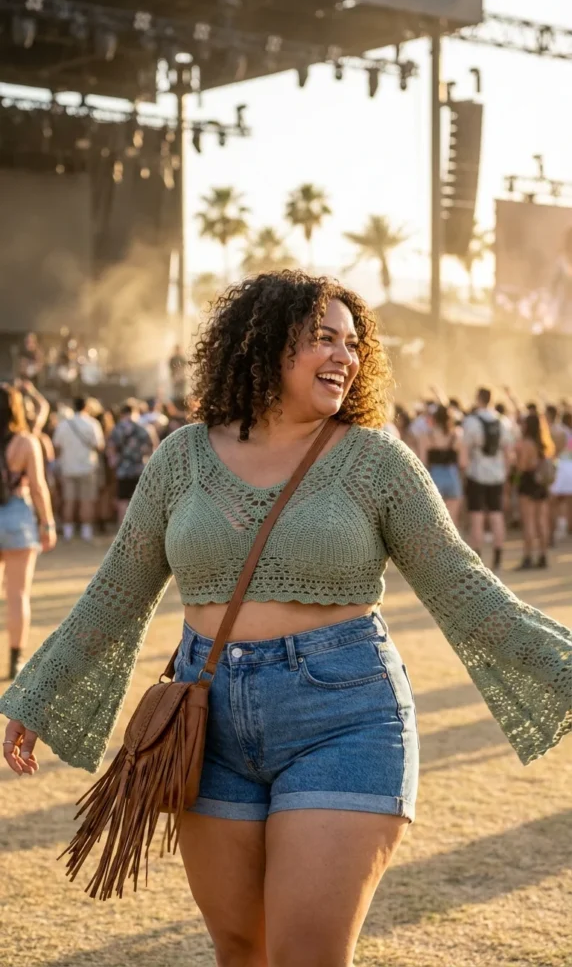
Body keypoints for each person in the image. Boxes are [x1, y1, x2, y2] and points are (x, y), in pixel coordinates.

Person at [2, 272, 572, 967]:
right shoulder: (181, 457)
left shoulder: (377, 461)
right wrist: (39, 692)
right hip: (206, 722)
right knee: (241, 949)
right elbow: (116, 591)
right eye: (323, 338)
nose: (344, 356)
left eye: (353, 343)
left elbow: (466, 589)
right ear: (265, 344)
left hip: (346, 716)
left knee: (307, 954)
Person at [0, 385, 56, 680]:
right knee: (18, 595)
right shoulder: (25, 442)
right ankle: (15, 660)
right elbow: (37, 486)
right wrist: (47, 523)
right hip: (17, 518)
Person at [463, 387, 513, 572]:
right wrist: (506, 474)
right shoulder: (503, 421)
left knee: (476, 517)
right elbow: (509, 453)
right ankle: (498, 560)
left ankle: (477, 562)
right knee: (497, 516)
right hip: (497, 475)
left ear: (478, 399)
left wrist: (464, 473)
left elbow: (464, 454)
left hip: (476, 474)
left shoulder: (471, 421)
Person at [52, 397, 105, 542]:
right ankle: (86, 531)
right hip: (88, 466)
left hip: (68, 466)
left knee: (68, 500)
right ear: (86, 406)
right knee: (86, 500)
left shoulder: (64, 424)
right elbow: (99, 445)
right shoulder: (92, 423)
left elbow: (57, 445)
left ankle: (68, 531)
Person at [514, 413, 555, 570]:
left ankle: (528, 557)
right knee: (541, 521)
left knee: (529, 522)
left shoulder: (526, 444)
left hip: (528, 483)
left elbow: (522, 467)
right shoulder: (544, 444)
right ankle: (543, 555)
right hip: (541, 484)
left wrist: (515, 461)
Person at [106, 400, 156, 525]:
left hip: (123, 469)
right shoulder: (145, 427)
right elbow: (154, 448)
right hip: (141, 469)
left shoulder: (117, 428)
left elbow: (111, 450)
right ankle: (141, 528)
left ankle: (123, 529)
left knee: (123, 500)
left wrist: (114, 465)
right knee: (142, 501)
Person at [418, 404, 466, 526]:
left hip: (434, 477)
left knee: (435, 521)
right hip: (452, 476)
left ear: (434, 418)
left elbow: (422, 461)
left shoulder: (426, 436)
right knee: (452, 521)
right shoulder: (457, 435)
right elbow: (463, 462)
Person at [551, 410, 572, 542]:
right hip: (567, 467)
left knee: (558, 499)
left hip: (563, 467)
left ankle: (561, 525)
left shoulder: (562, 433)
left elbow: (557, 450)